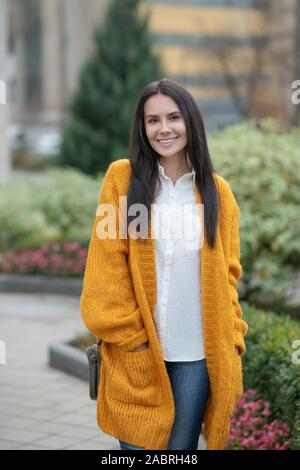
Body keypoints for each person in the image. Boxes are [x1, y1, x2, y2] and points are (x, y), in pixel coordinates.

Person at [80, 78, 248, 451]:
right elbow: (106, 270)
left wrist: (233, 339)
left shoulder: (218, 194)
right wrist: (133, 343)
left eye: (173, 117)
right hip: (138, 357)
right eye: (152, 120)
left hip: (197, 359)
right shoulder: (123, 181)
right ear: (142, 128)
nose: (164, 129)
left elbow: (229, 275)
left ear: (191, 121)